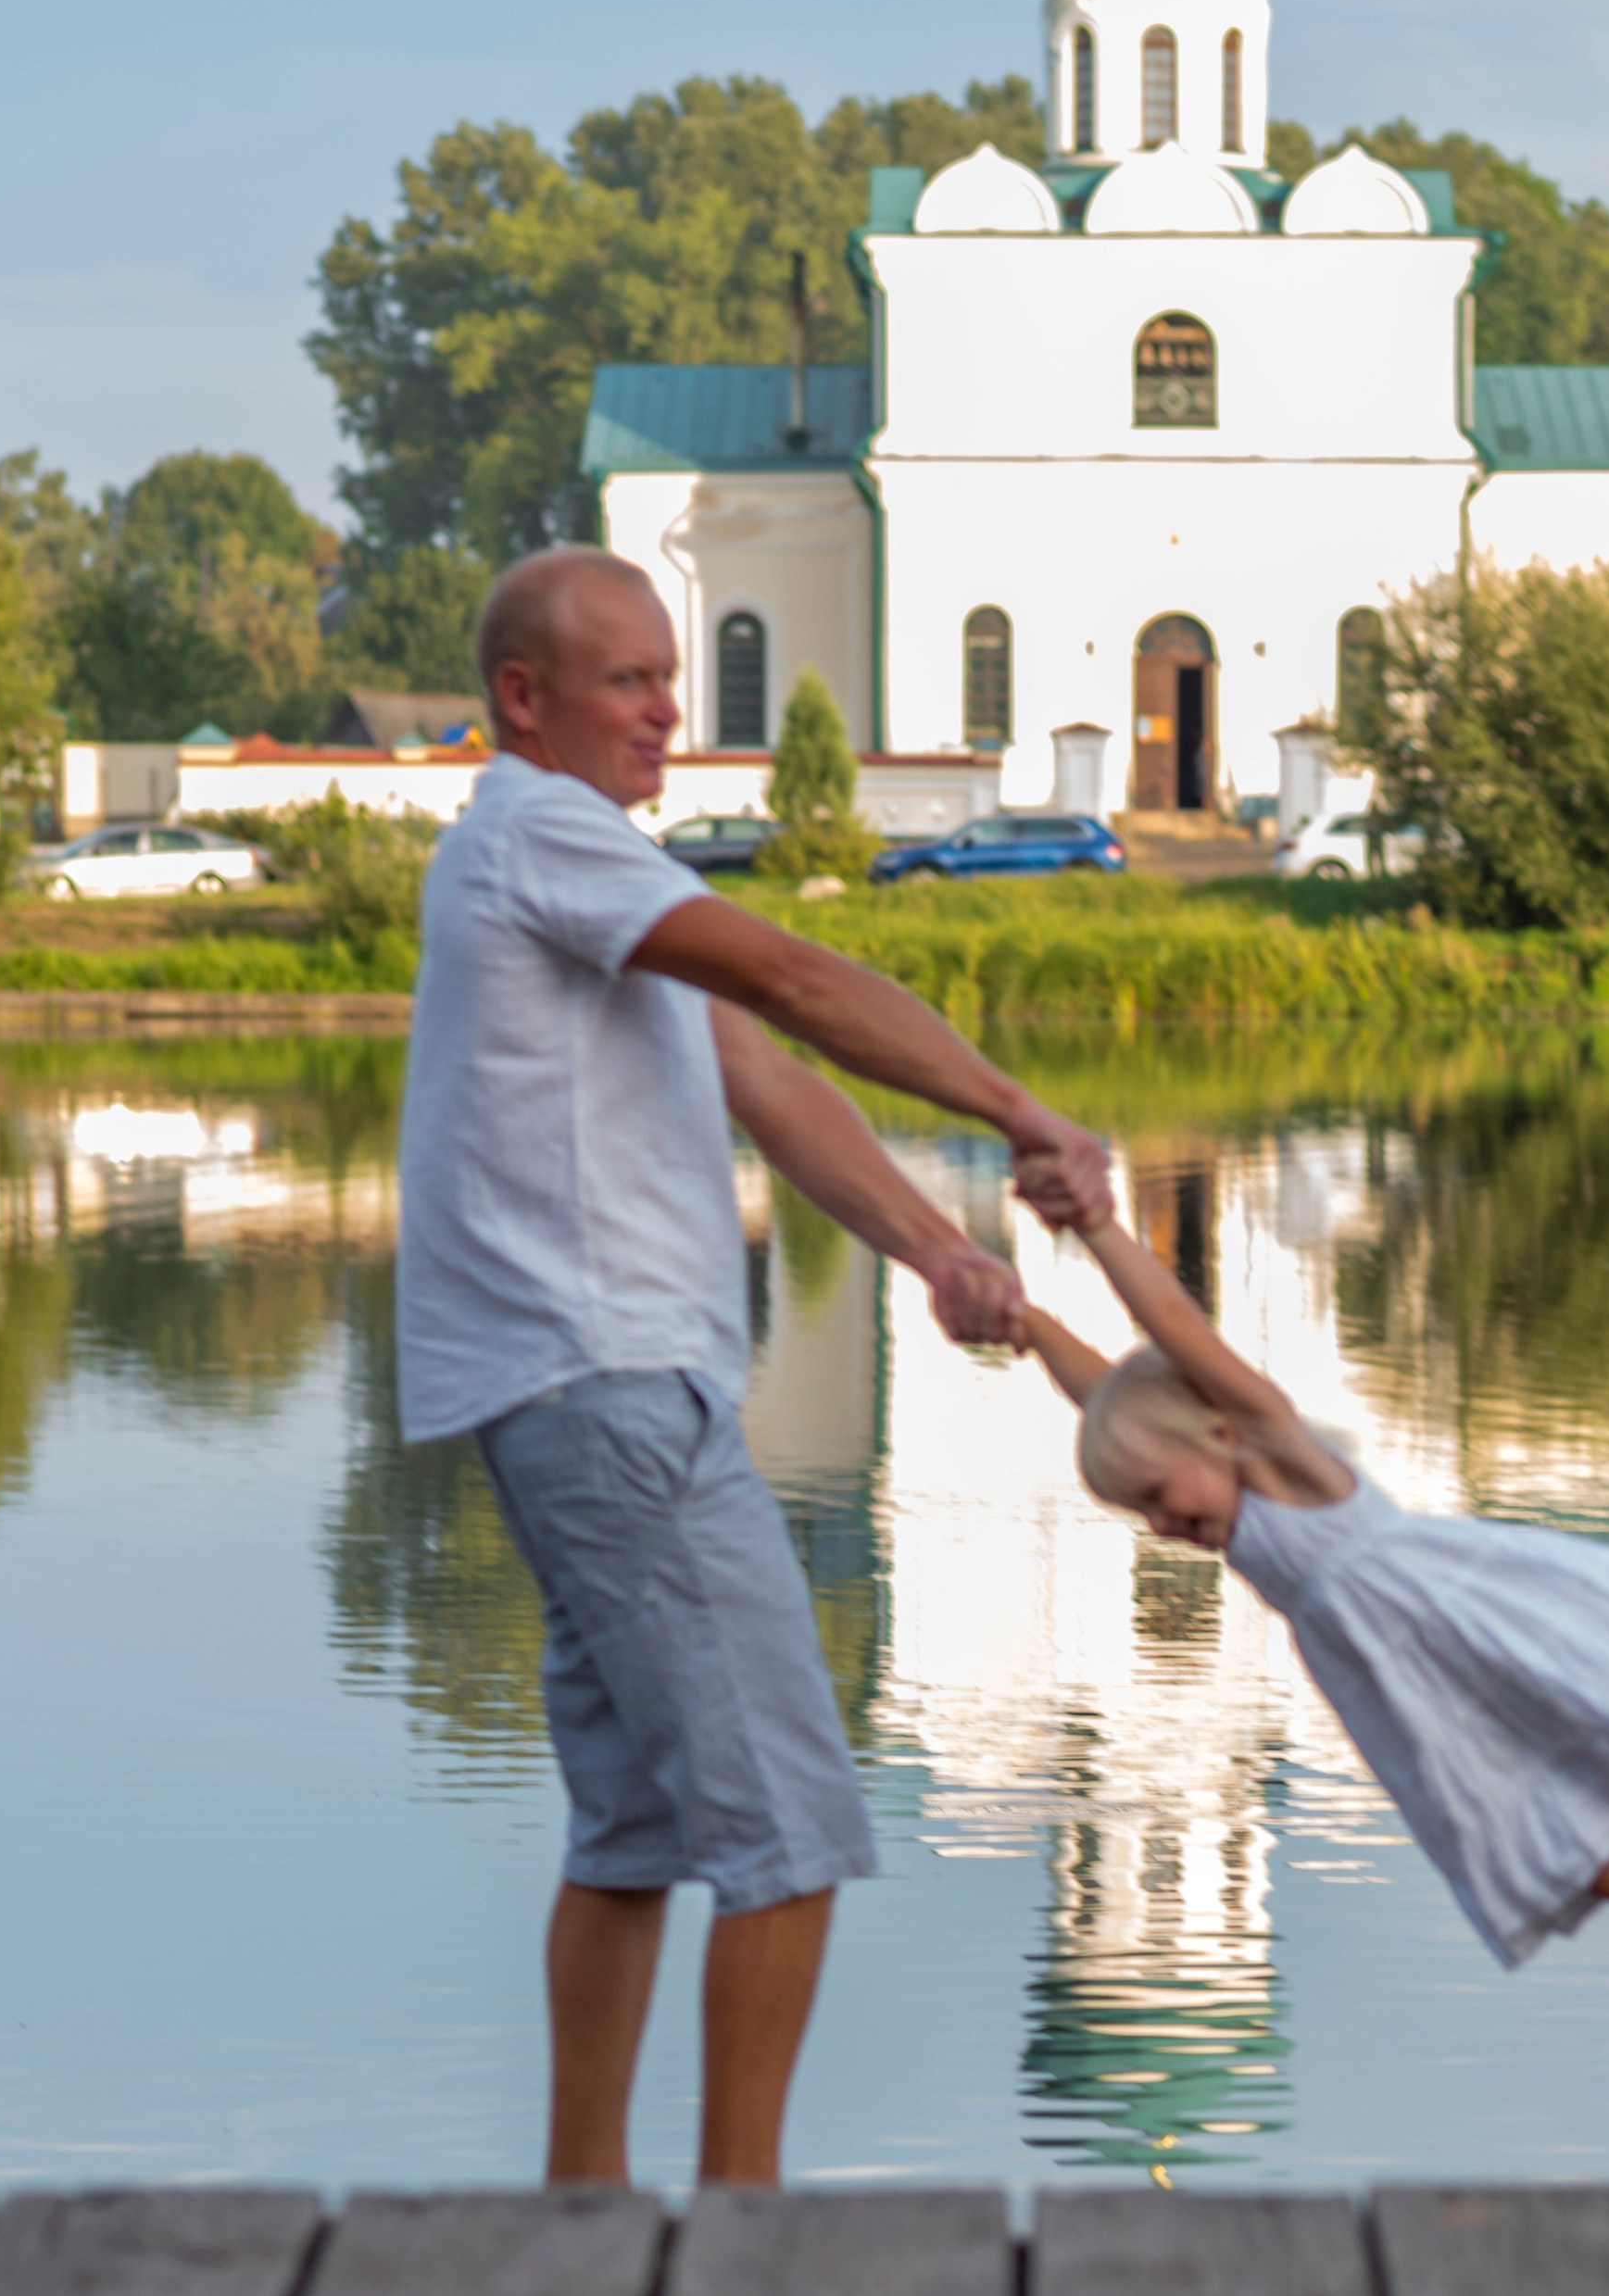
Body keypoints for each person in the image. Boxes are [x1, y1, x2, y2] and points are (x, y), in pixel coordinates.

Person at [396, 546, 1110, 2188]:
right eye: (628, 680)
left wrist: (939, 1248)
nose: (668, 710)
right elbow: (798, 977)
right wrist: (1020, 1112)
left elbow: (768, 1078)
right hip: (611, 1392)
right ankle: (745, 2231)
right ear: (525, 699)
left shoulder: (582, 873)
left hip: (578, 1398)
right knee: (789, 1834)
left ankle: (582, 2207)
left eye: (669, 673)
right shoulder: (542, 834)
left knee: (635, 1833)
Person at [1013, 1191, 1609, 1978]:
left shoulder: (1278, 1457)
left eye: (1155, 1496)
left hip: (1497, 1630)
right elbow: (1106, 1394)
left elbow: (1172, 1329)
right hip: (1438, 1699)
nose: (1158, 1526)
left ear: (1216, 1429)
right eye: (1139, 1512)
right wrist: (1029, 1323)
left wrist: (1099, 1226)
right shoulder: (1213, 1497)